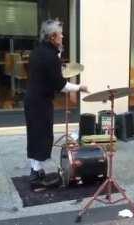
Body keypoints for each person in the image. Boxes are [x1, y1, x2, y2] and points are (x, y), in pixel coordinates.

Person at [24, 19, 88, 186]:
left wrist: (58, 54)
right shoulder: (49, 56)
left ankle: (35, 170)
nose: (63, 36)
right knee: (43, 135)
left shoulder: (38, 51)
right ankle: (35, 176)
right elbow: (60, 85)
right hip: (41, 101)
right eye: (60, 34)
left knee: (34, 134)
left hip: (31, 98)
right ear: (52, 37)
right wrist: (80, 87)